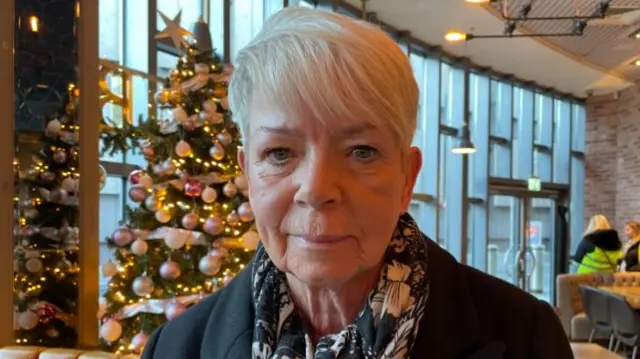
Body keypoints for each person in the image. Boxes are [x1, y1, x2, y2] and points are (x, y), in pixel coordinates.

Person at [141, 7, 572, 359]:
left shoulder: (524, 338)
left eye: (361, 151)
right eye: (279, 153)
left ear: (407, 177)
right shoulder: (177, 348)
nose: (316, 189)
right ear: (249, 175)